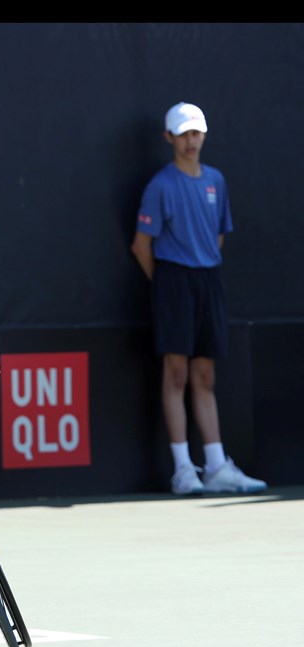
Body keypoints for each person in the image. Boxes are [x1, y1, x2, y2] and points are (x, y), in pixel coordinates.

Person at [131, 102, 266, 496]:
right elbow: (142, 246)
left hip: (209, 281)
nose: (192, 141)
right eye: (184, 134)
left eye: (197, 133)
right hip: (173, 281)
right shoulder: (160, 185)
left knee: (204, 375)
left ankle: (217, 464)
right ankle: (183, 469)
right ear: (169, 138)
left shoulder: (216, 182)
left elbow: (218, 234)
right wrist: (168, 285)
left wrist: (198, 269)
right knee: (176, 373)